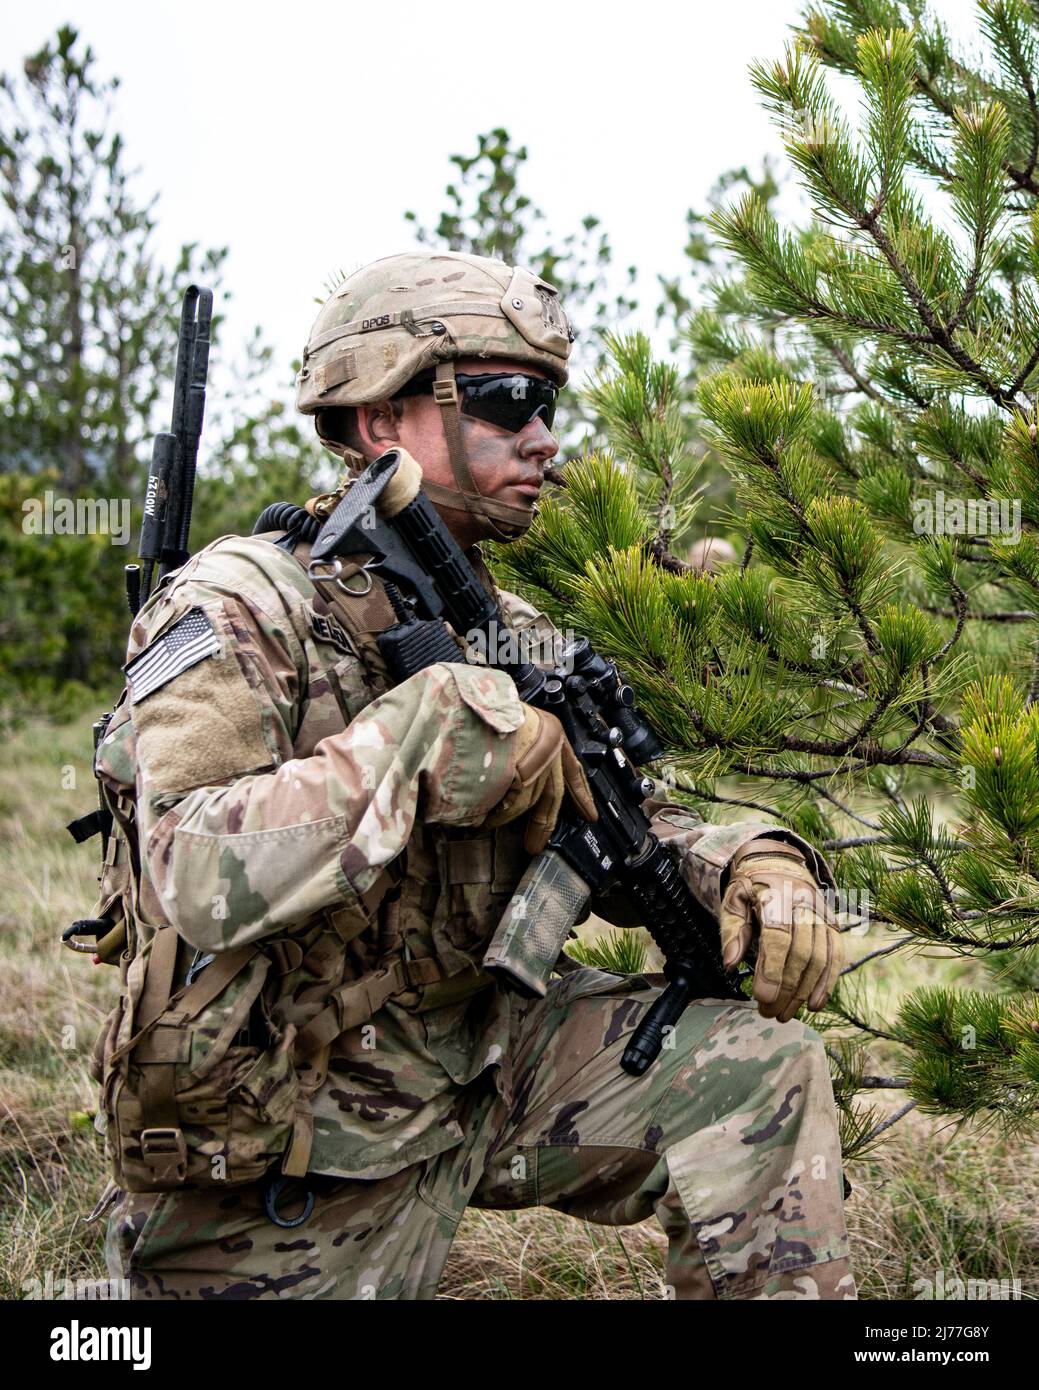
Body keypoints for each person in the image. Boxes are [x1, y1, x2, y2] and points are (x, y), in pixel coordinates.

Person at [90, 250, 855, 1300]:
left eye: (548, 403)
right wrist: (419, 742)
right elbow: (189, 866)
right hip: (292, 1132)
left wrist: (751, 862)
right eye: (506, 399)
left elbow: (628, 815)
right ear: (375, 420)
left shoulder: (502, 629)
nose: (542, 435)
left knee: (761, 1067)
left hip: (480, 1066)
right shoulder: (238, 606)